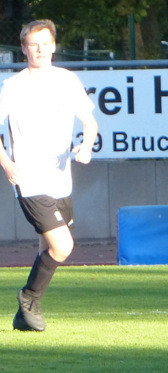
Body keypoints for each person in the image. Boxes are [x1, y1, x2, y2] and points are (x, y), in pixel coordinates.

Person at [0, 19, 98, 332]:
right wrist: (7, 164)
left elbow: (89, 121)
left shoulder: (67, 80)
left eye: (45, 43)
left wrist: (87, 145)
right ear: (24, 49)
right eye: (33, 44)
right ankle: (28, 297)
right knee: (63, 246)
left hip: (61, 179)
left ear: (54, 45)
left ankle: (26, 313)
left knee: (49, 248)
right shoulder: (14, 86)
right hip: (29, 181)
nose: (40, 49)